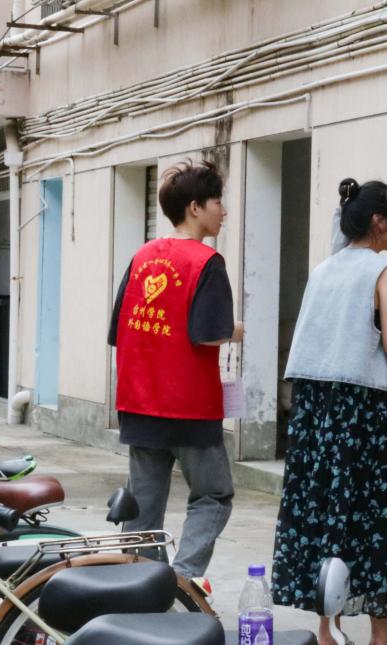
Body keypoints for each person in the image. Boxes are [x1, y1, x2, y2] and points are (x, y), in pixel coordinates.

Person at [272, 178, 387, 645]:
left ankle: (326, 631)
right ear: (380, 222)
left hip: (315, 407)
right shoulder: (385, 269)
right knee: (377, 515)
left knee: (325, 511)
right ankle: (380, 634)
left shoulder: (323, 269)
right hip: (365, 410)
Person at [108, 159, 243, 581]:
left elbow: (118, 330)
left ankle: (141, 587)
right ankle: (183, 580)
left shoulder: (141, 257)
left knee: (143, 509)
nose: (223, 210)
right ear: (195, 207)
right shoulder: (207, 262)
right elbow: (209, 335)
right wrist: (235, 331)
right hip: (189, 406)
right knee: (213, 495)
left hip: (138, 402)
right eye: (217, 201)